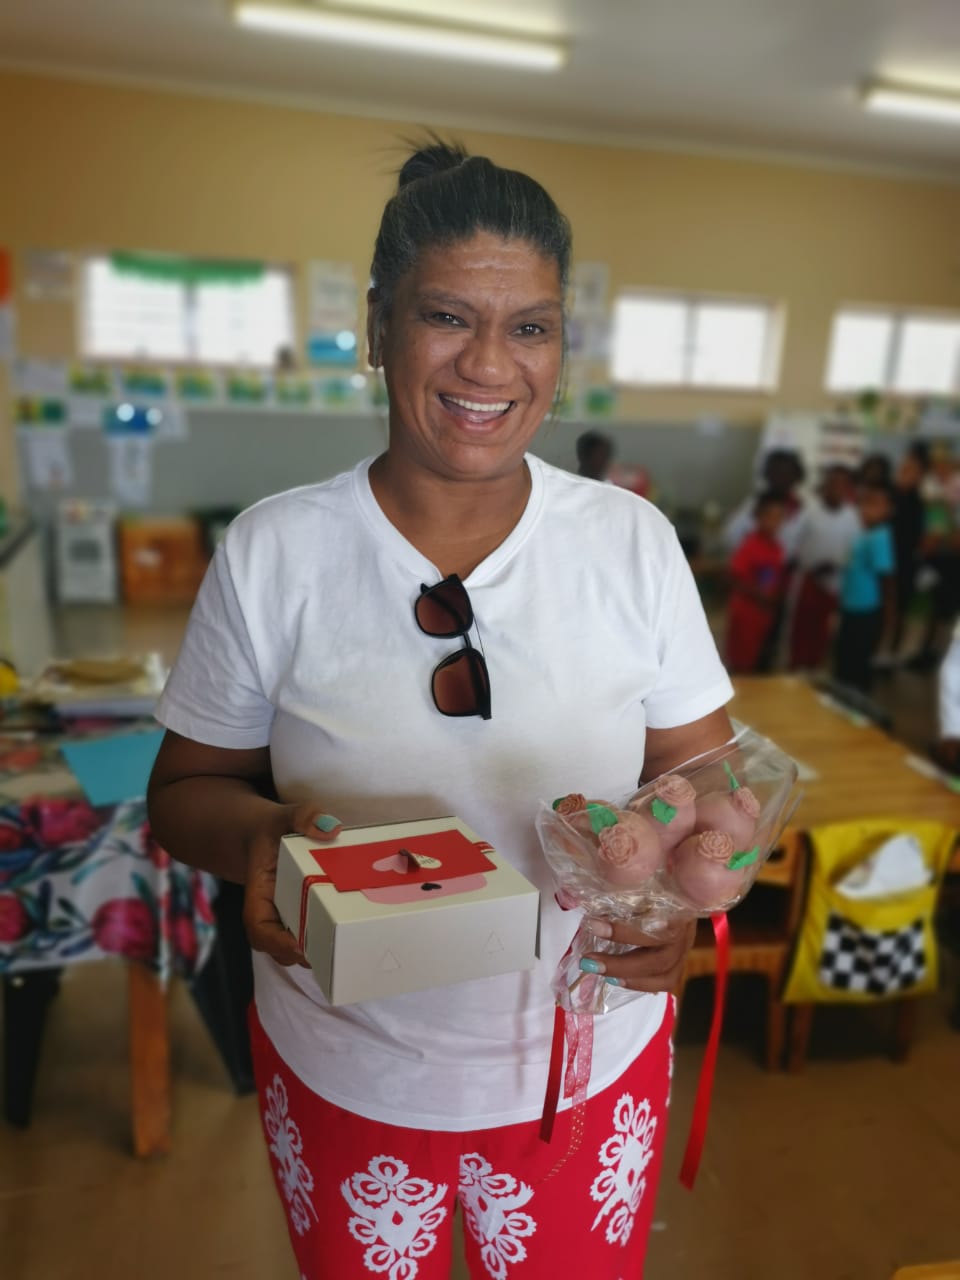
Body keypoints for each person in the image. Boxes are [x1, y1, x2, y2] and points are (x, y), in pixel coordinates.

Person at [146, 140, 734, 1279]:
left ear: (561, 345)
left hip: (587, 1059)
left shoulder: (630, 542)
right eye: (446, 317)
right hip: (349, 1062)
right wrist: (267, 841)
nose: (490, 364)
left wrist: (677, 886)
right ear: (378, 327)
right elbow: (185, 790)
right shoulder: (278, 550)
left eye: (531, 326)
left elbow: (707, 774)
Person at [788, 465, 860, 670]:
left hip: (836, 584)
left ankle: (814, 669)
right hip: (809, 581)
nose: (836, 488)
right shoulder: (809, 512)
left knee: (823, 633)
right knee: (801, 631)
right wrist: (808, 565)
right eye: (832, 483)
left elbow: (854, 550)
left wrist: (839, 564)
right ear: (825, 485)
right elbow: (791, 542)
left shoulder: (852, 516)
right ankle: (796, 669)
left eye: (842, 484)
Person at [834, 482, 897, 692]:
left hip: (866, 609)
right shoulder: (863, 534)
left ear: (888, 510)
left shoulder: (879, 536)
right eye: (866, 503)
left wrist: (888, 613)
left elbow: (886, 577)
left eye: (876, 505)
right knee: (844, 657)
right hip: (850, 605)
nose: (868, 509)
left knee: (857, 662)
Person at [726, 492, 786, 673]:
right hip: (746, 615)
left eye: (779, 518)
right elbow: (733, 577)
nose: (775, 523)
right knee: (742, 664)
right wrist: (760, 595)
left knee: (761, 663)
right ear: (759, 518)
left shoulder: (777, 548)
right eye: (770, 517)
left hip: (765, 616)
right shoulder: (750, 545)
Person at [889, 443, 929, 658]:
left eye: (912, 471)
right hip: (884, 560)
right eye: (903, 469)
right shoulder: (888, 496)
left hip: (906, 562)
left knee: (901, 609)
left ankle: (892, 650)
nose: (905, 474)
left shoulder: (921, 503)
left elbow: (923, 536)